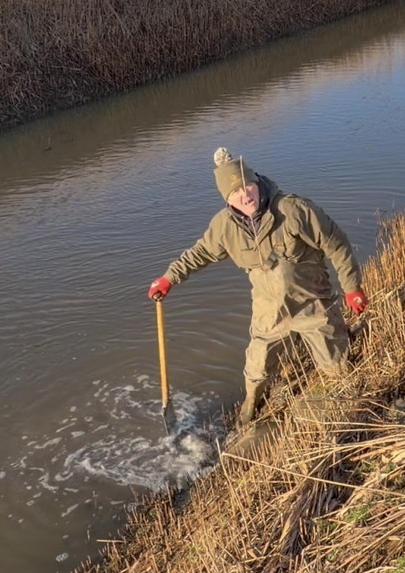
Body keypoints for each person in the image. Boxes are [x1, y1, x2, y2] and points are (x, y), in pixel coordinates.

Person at [148, 147, 367, 428]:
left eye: (247, 186)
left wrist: (352, 288)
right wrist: (169, 278)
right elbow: (199, 253)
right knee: (256, 371)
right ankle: (247, 419)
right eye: (235, 192)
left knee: (337, 368)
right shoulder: (224, 227)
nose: (245, 195)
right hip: (268, 311)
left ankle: (346, 407)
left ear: (257, 182)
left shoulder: (293, 209)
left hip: (312, 302)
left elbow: (337, 244)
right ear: (227, 199)